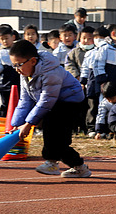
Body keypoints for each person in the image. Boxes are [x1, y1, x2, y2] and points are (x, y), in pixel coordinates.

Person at [7, 40, 90, 178]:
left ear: (33, 61)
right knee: (55, 137)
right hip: (55, 104)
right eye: (13, 65)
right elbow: (25, 100)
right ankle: (78, 167)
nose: (16, 69)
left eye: (19, 65)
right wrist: (15, 125)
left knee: (56, 135)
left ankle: (53, 163)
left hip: (71, 102)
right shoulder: (25, 74)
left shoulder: (50, 72)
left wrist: (28, 124)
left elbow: (47, 100)